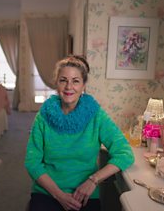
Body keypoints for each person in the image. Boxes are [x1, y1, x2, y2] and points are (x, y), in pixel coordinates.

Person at [24, 55, 135, 211]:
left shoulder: (96, 116)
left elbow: (125, 153)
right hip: (48, 192)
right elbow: (32, 162)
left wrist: (93, 180)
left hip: (85, 194)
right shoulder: (43, 117)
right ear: (56, 83)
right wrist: (59, 195)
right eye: (63, 80)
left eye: (76, 81)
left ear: (83, 86)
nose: (69, 87)